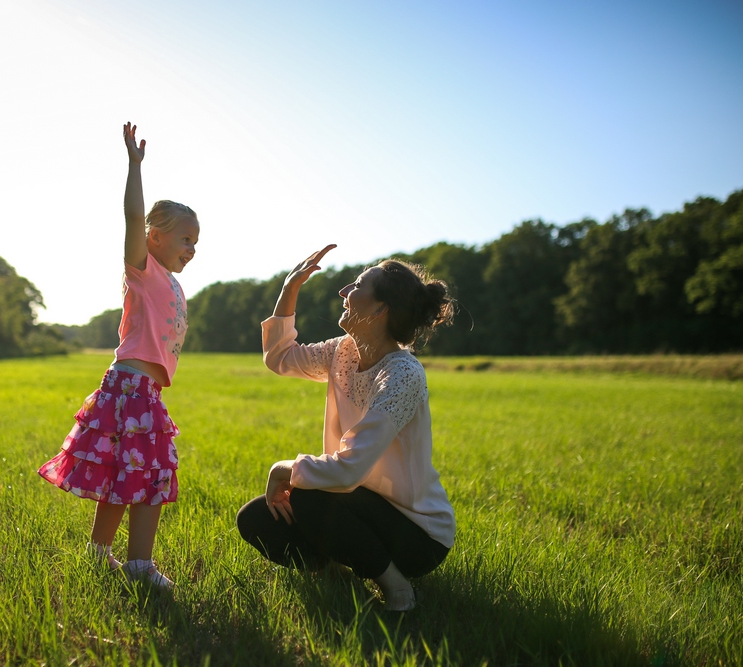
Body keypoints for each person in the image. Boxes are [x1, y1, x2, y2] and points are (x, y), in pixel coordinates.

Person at [235, 245, 455, 611]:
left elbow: (349, 468)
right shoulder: (343, 351)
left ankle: (397, 587)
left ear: (380, 308)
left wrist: (284, 469)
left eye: (356, 285)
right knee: (258, 519)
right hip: (355, 504)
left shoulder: (403, 373)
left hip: (416, 534)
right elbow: (280, 358)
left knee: (308, 493)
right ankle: (339, 571)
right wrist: (290, 289)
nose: (343, 292)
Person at [39, 122, 199, 589]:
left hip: (140, 387)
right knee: (149, 473)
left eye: (195, 242)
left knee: (123, 471)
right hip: (130, 386)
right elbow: (132, 218)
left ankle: (97, 553)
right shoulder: (144, 271)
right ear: (154, 237)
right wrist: (134, 166)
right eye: (185, 239)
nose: (191, 249)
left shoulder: (172, 283)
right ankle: (139, 566)